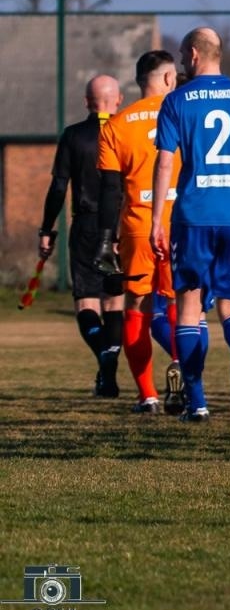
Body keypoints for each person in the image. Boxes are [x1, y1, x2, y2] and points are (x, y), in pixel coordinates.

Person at [149, 27, 230, 422]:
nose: (183, 61)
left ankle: (197, 402)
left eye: (184, 55)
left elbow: (166, 161)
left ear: (194, 54)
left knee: (189, 309)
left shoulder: (176, 100)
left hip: (194, 216)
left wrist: (157, 219)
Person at [97, 52, 181, 414]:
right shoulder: (184, 113)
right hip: (181, 222)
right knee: (183, 306)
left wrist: (106, 238)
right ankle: (185, 372)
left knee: (137, 307)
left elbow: (111, 191)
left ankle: (147, 395)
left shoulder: (116, 125)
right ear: (166, 79)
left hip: (138, 226)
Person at [41, 74, 124, 396]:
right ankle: (110, 361)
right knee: (115, 301)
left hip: (87, 226)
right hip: (121, 227)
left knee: (86, 302)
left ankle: (104, 355)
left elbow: (59, 186)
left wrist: (47, 229)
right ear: (117, 100)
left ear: (87, 101)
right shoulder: (127, 132)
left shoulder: (73, 136)